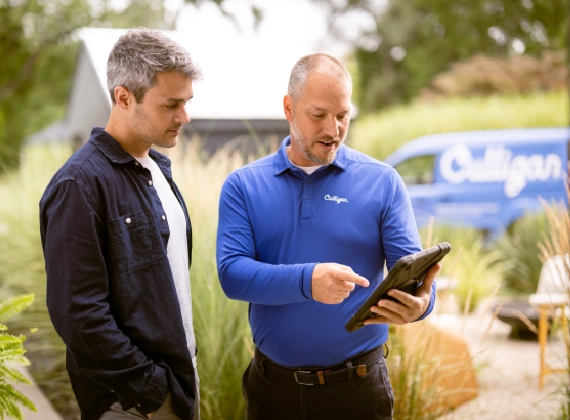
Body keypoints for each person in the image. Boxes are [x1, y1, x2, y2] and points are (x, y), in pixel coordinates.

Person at [216, 53, 440, 419]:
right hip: (274, 393)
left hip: (359, 392)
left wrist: (421, 307)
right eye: (319, 115)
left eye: (343, 116)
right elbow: (232, 275)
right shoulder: (243, 185)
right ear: (289, 108)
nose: (333, 130)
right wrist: (308, 280)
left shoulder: (382, 182)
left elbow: (412, 278)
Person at [40, 28, 202, 420]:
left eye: (187, 102)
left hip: (177, 388)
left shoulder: (157, 169)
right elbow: (79, 314)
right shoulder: (78, 185)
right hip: (131, 403)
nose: (185, 116)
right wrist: (150, 389)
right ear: (124, 97)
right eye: (171, 105)